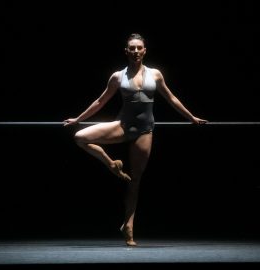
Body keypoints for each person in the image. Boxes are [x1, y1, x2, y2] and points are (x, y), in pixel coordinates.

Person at [63, 33, 207, 246]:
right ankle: (111, 164)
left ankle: (128, 226)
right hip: (122, 127)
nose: (136, 51)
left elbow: (171, 98)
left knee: (135, 181)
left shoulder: (155, 75)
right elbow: (101, 100)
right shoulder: (118, 76)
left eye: (139, 47)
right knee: (80, 136)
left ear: (145, 50)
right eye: (132, 48)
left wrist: (191, 117)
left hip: (144, 131)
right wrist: (78, 118)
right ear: (126, 51)